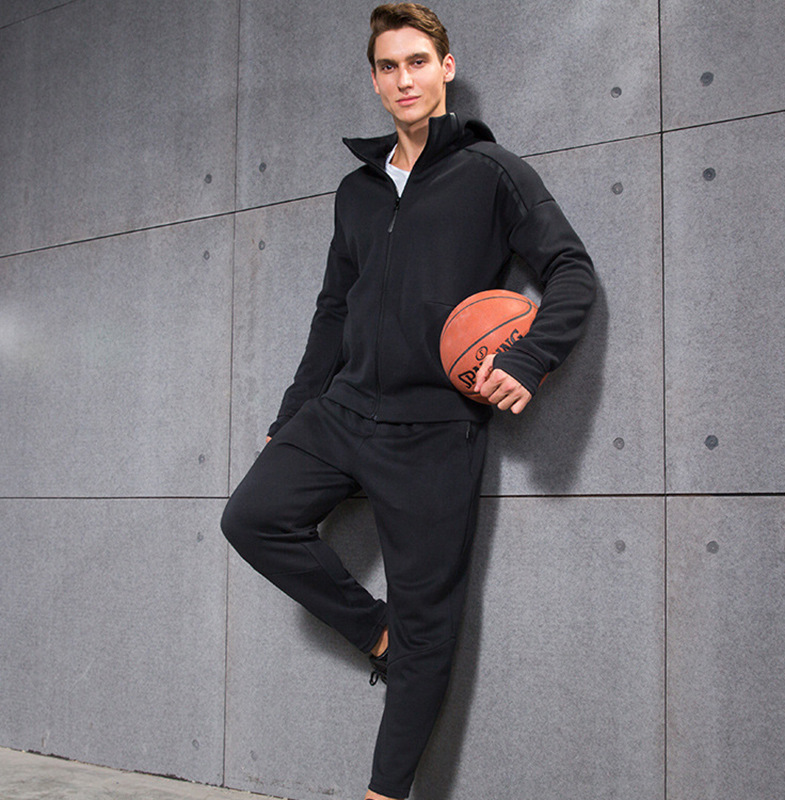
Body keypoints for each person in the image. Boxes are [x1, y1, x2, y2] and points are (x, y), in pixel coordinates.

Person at [221, 4, 596, 799]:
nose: (404, 79)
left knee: (432, 625)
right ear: (374, 80)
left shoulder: (492, 172)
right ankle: (378, 634)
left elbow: (571, 270)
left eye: (418, 62)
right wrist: (292, 414)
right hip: (342, 411)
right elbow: (333, 310)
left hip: (435, 431)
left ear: (446, 68)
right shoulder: (356, 192)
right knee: (250, 517)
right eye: (389, 67)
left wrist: (530, 359)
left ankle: (384, 793)